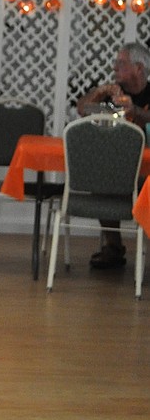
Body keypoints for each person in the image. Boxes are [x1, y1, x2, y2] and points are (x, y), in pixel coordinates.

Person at [75, 40, 150, 268]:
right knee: (102, 177)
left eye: (121, 63)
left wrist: (134, 111)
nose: (114, 67)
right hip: (117, 168)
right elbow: (83, 109)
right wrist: (101, 92)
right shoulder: (114, 96)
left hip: (146, 171)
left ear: (139, 68)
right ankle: (114, 247)